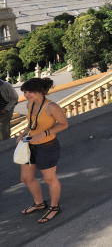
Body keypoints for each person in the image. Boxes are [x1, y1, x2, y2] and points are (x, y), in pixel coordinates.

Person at [17, 77, 68, 224]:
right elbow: (31, 124)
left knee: (49, 179)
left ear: (40, 92)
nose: (26, 95)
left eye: (30, 92)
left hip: (47, 147)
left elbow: (64, 124)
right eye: (25, 92)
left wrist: (44, 134)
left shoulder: (51, 107)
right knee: (26, 178)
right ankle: (39, 203)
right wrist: (23, 133)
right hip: (30, 145)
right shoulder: (30, 104)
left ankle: (54, 207)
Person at [1, 75, 18, 140]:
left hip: (5, 111)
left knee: (3, 130)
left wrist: (5, 109)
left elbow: (15, 99)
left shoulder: (5, 85)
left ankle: (5, 144)